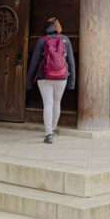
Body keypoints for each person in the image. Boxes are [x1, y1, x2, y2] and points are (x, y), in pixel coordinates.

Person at [26, 16, 76, 144]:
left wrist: (29, 79)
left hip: (44, 76)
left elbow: (34, 62)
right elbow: (71, 62)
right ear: (58, 26)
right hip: (62, 76)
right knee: (57, 102)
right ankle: (53, 129)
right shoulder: (66, 40)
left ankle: (48, 134)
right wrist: (72, 81)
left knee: (47, 103)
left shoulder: (42, 40)